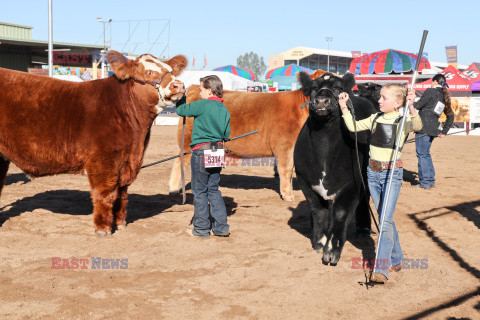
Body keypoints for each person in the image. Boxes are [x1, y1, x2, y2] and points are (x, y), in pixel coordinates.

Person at [338, 84, 422, 284]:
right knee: (386, 218)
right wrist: (343, 107)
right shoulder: (375, 118)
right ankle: (397, 259)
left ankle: (381, 268)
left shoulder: (403, 121)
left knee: (384, 219)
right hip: (372, 173)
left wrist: (411, 106)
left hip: (392, 174)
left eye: (384, 98)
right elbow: (354, 127)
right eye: (380, 97)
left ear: (398, 103)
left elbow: (418, 125)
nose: (379, 101)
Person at [176, 75, 231, 238]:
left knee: (199, 191)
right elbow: (227, 134)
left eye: (201, 90)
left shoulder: (203, 105)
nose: (199, 93)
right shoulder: (224, 109)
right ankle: (221, 228)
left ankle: (201, 229)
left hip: (201, 150)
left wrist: (182, 96)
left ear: (209, 90)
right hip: (217, 149)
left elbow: (181, 110)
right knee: (213, 189)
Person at [414, 74, 454, 189]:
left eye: (432, 82)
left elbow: (418, 105)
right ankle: (430, 180)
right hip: (433, 128)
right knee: (425, 154)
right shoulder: (443, 95)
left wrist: (410, 101)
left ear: (435, 81)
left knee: (422, 154)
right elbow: (451, 117)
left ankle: (425, 182)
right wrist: (444, 131)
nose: (431, 84)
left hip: (423, 127)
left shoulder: (430, 91)